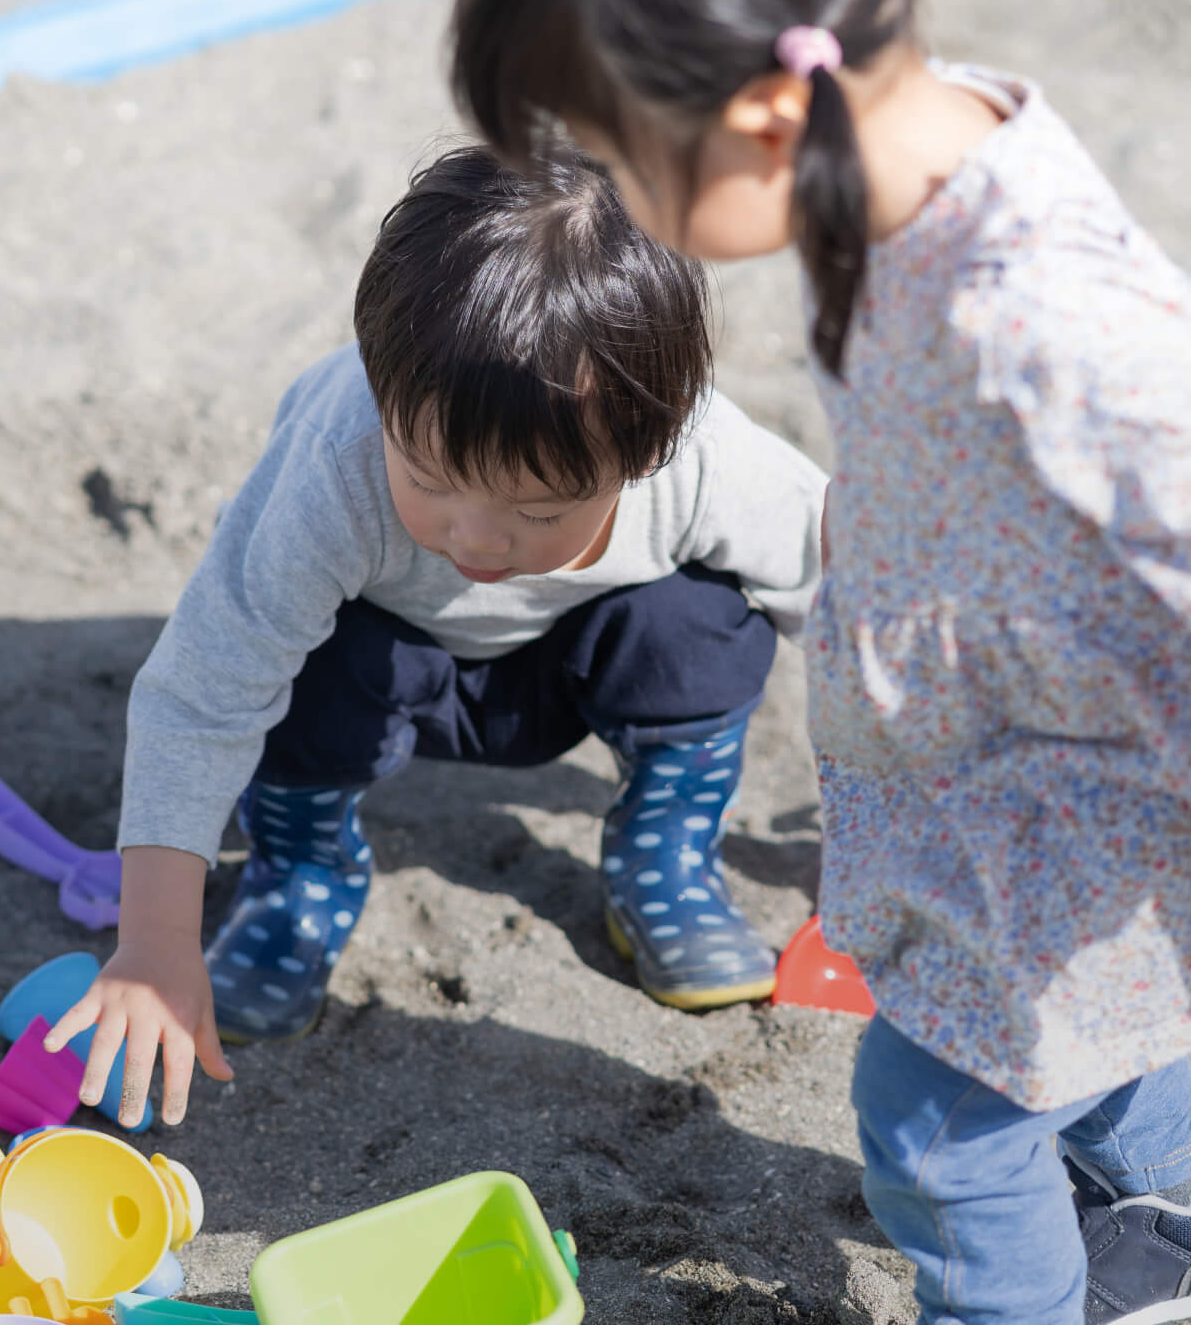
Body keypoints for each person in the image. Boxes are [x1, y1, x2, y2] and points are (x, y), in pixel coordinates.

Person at [442, 0, 1191, 1325]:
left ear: (773, 106)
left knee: (936, 1120)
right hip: (1026, 745)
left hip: (1079, 795)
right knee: (1076, 1035)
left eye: (623, 157)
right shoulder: (915, 144)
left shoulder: (1035, 324)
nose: (619, 206)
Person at [47, 145, 827, 1123]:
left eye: (539, 511)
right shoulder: (333, 468)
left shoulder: (705, 460)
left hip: (575, 662)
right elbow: (205, 689)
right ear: (382, 390)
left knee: (696, 619)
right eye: (428, 480)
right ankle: (302, 872)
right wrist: (156, 943)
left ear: (650, 445)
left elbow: (852, 597)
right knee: (307, 659)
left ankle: (664, 855)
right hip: (383, 665)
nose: (476, 536)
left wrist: (915, 805)